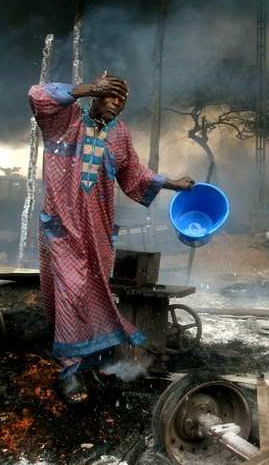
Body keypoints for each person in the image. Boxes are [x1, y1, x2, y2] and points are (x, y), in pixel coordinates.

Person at [28, 73, 194, 403]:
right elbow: (37, 95)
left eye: (122, 99)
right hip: (62, 227)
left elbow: (134, 173)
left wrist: (173, 184)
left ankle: (93, 361)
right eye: (111, 95)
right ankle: (71, 371)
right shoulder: (65, 119)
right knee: (71, 291)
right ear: (97, 95)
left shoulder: (119, 134)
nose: (117, 103)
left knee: (94, 291)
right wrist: (88, 88)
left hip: (97, 231)